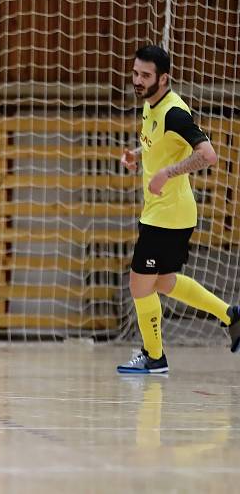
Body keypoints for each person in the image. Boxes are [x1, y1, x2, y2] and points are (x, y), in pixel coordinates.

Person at [117, 45, 239, 374]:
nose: (138, 81)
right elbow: (160, 147)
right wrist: (137, 155)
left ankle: (154, 356)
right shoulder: (150, 105)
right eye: (135, 74)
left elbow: (208, 155)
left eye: (145, 75)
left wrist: (167, 173)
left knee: (139, 284)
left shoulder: (174, 112)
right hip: (162, 213)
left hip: (168, 216)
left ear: (164, 78)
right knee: (162, 282)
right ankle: (230, 315)